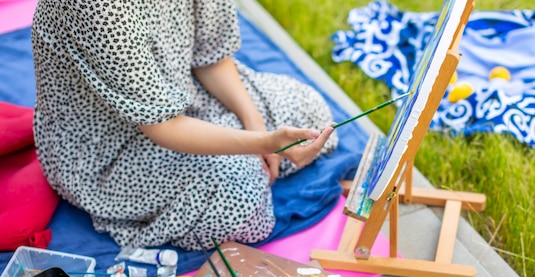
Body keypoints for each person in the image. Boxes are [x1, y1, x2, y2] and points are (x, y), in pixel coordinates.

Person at [31, 0, 338, 251]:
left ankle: (244, 152)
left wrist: (254, 126)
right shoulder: (96, 6)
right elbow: (162, 126)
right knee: (241, 199)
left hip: (181, 93)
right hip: (110, 148)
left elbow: (210, 56)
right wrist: (264, 144)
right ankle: (246, 165)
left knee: (311, 111)